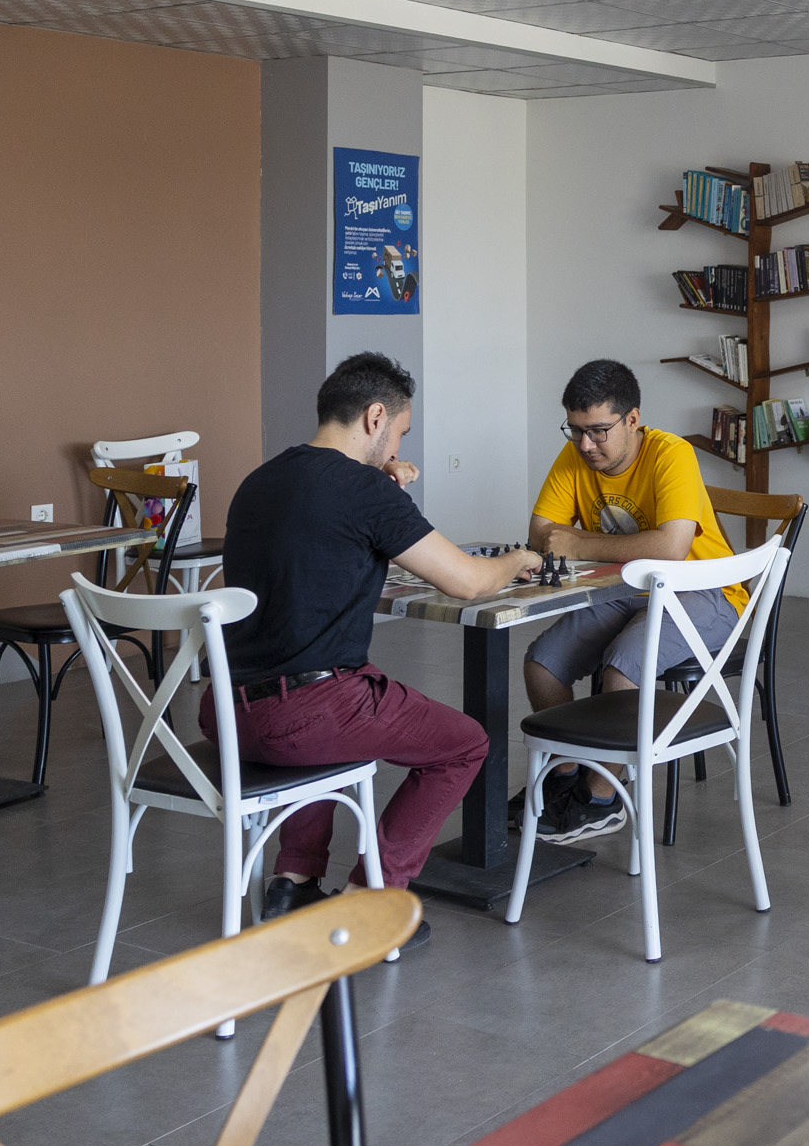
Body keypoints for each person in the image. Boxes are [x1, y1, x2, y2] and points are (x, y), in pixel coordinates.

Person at [212, 351, 560, 953]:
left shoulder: (259, 481)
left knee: (321, 725)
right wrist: (520, 559)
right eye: (400, 432)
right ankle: (371, 901)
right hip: (307, 715)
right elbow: (468, 581)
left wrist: (381, 479)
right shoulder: (364, 491)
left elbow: (317, 540)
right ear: (375, 417)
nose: (400, 447)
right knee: (463, 744)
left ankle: (293, 883)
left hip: (229, 715)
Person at [513, 359, 744, 842]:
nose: (585, 445)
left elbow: (671, 548)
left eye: (598, 431)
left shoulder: (671, 453)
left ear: (632, 420)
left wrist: (580, 543)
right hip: (625, 591)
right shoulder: (576, 455)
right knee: (542, 663)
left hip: (705, 592)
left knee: (622, 668)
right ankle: (565, 777)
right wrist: (596, 545)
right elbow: (540, 534)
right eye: (575, 430)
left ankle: (603, 798)